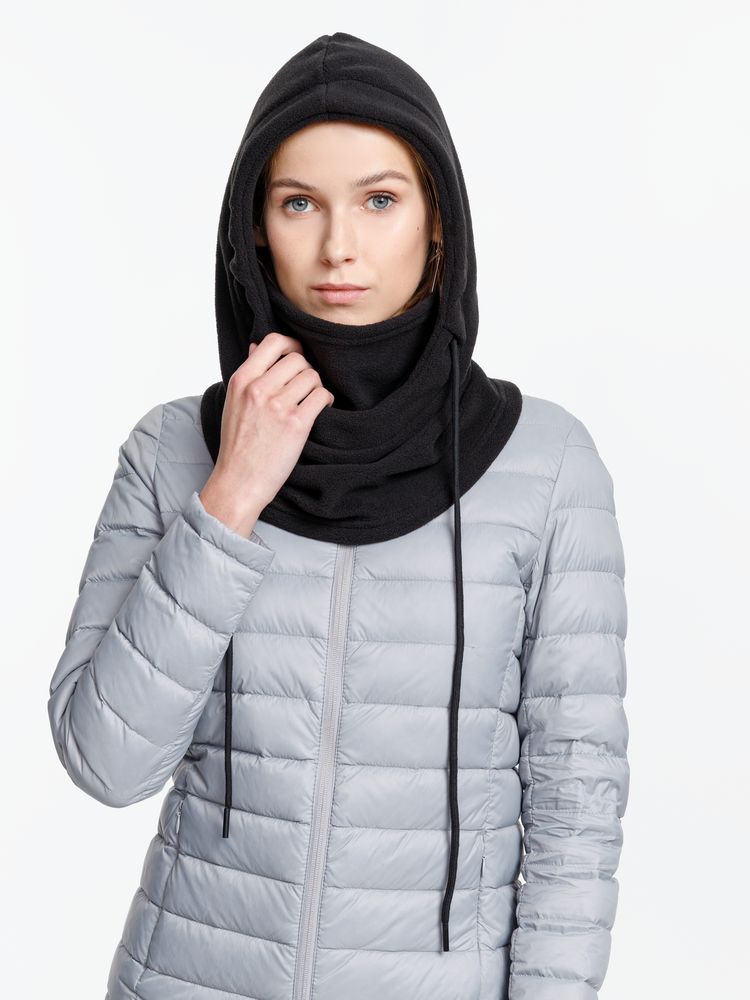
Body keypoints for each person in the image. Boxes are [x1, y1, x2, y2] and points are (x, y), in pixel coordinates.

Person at [47, 31, 630, 1000]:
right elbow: (106, 763)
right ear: (253, 228)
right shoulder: (173, 451)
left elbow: (578, 807)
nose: (338, 247)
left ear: (438, 223)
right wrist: (231, 497)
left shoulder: (546, 466)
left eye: (379, 199)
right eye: (298, 203)